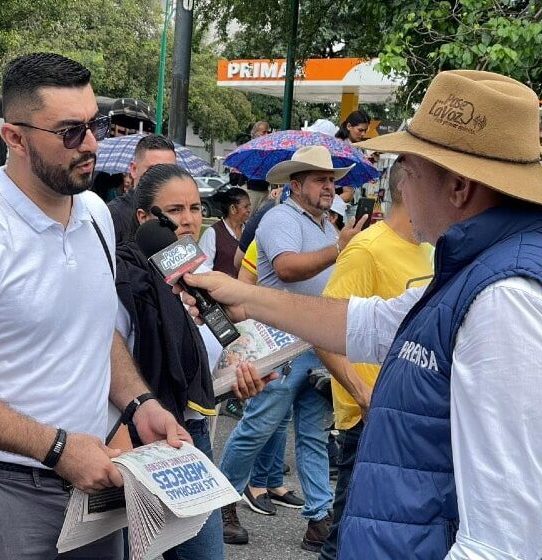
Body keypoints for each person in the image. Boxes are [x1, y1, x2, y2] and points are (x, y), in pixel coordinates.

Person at [175, 70, 542, 560]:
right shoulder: (478, 268)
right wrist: (247, 300)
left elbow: (505, 535)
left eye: (410, 169)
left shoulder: (506, 297)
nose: (401, 187)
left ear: (458, 187)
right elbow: (371, 323)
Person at [0, 52, 187, 560]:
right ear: (14, 137)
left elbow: (95, 330)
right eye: (71, 132)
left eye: (94, 124)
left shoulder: (96, 213)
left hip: (92, 486)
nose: (92, 144)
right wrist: (55, 447)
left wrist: (140, 404)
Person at [117, 163, 270, 559]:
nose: (188, 220)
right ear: (144, 218)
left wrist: (243, 374)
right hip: (138, 440)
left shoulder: (203, 273)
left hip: (194, 434)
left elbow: (210, 359)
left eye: (196, 208)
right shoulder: (125, 277)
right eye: (175, 211)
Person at [218, 146, 365, 551]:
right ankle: (223, 503)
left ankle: (318, 518)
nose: (329, 186)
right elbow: (286, 268)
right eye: (320, 179)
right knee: (259, 428)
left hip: (317, 346)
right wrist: (340, 248)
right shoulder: (280, 217)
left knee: (313, 435)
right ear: (295, 184)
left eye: (331, 180)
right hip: (280, 345)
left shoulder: (327, 227)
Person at [317, 161, 433, 560]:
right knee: (347, 535)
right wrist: (361, 392)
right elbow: (324, 330)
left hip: (410, 419)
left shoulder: (432, 249)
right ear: (414, 188)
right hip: (367, 421)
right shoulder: (366, 249)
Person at [107, 134, 176, 243]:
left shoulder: (178, 214)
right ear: (134, 169)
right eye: (153, 169)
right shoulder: (112, 215)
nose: (162, 176)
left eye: (169, 170)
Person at [198, 187, 250, 276]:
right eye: (245, 207)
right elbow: (203, 269)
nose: (249, 210)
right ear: (233, 208)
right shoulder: (212, 233)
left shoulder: (249, 232)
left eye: (249, 206)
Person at [334, 110, 371, 203]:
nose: (363, 134)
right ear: (349, 126)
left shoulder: (356, 148)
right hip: (341, 201)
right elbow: (348, 193)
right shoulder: (342, 149)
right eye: (360, 130)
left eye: (365, 131)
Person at [245, 121, 272, 214]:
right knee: (247, 218)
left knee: (262, 217)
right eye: (263, 132)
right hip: (252, 189)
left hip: (265, 189)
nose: (266, 134)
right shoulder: (249, 148)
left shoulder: (269, 149)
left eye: (268, 132)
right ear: (256, 133)